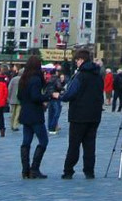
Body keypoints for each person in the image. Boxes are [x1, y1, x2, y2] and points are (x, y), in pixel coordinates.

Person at [60, 48, 104, 180]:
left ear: (81, 60)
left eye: (77, 60)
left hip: (78, 115)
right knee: (90, 145)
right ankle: (89, 171)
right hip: (94, 115)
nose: (76, 62)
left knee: (74, 145)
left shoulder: (80, 76)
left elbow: (71, 93)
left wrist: (62, 96)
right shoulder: (98, 76)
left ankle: (68, 170)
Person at [17, 52, 53, 180]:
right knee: (43, 141)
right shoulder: (36, 79)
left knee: (26, 142)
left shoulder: (23, 78)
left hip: (25, 113)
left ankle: (25, 170)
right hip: (35, 114)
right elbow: (35, 97)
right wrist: (48, 97)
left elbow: (19, 96)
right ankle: (34, 168)